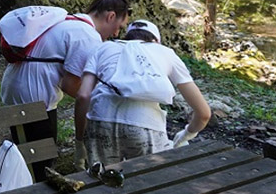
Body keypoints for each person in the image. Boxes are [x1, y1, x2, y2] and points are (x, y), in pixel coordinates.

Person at [0, 0, 130, 181]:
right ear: (110, 16)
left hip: (25, 90)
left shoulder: (72, 21)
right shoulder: (87, 37)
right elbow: (71, 85)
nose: (115, 34)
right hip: (30, 97)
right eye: (118, 27)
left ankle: (28, 188)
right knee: (37, 160)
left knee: (37, 151)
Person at [75, 20, 212, 167]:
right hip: (146, 125)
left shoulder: (103, 48)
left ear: (127, 37)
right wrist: (185, 135)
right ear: (156, 41)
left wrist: (79, 143)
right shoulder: (166, 52)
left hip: (100, 120)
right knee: (150, 182)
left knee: (103, 182)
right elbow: (204, 114)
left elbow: (83, 96)